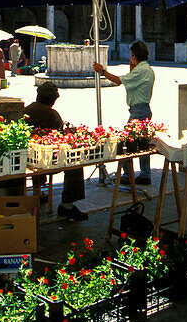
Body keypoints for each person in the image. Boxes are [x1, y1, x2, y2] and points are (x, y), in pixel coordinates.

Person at [23, 82, 88, 221]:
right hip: (45, 160)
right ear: (53, 100)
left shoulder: (26, 110)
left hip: (27, 158)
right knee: (75, 162)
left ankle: (38, 192)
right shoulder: (52, 114)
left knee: (37, 153)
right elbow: (60, 137)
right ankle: (67, 205)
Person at [94, 40, 155, 184]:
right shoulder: (146, 69)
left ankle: (128, 175)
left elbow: (118, 80)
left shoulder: (141, 70)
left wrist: (102, 71)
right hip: (143, 109)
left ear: (134, 55)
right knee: (143, 143)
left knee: (127, 142)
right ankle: (145, 174)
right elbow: (130, 78)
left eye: (132, 55)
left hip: (139, 111)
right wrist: (131, 64)